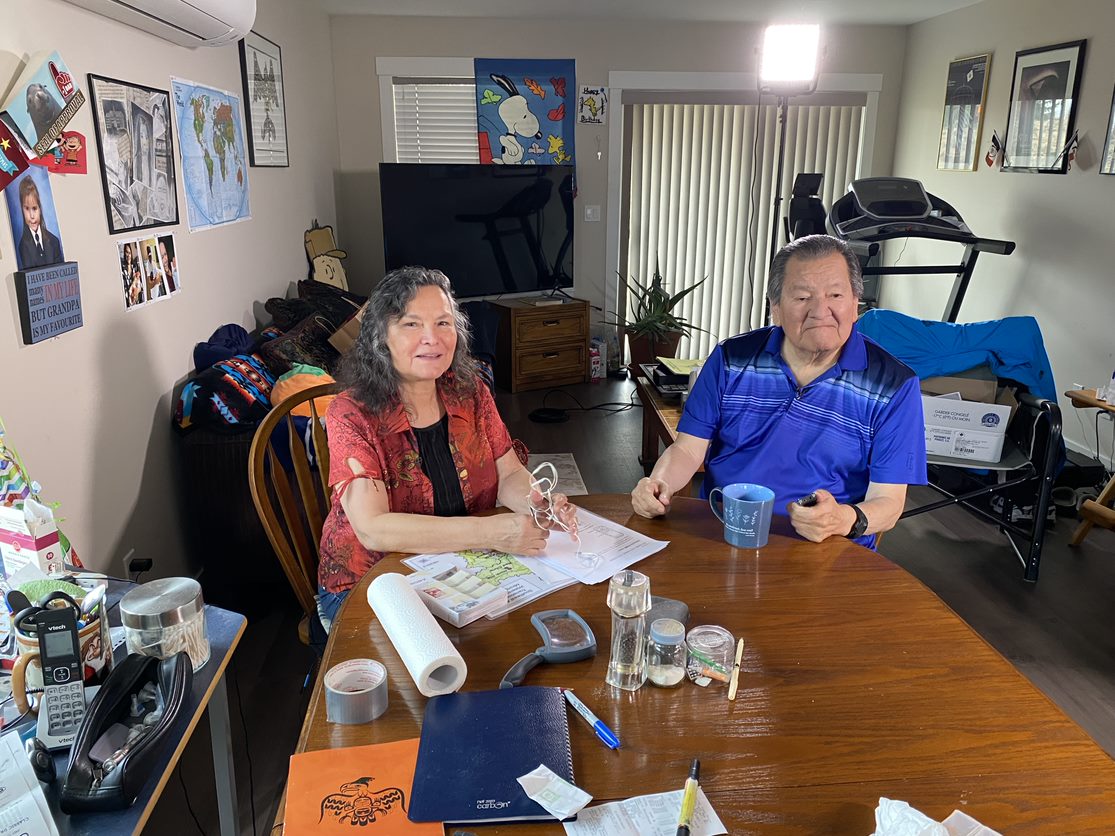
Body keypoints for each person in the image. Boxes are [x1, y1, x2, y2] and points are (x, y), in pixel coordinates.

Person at [316, 266, 578, 631]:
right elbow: (373, 529)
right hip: (371, 583)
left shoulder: (471, 392)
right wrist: (491, 533)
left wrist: (536, 503)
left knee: (535, 631)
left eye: (443, 323)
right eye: (411, 324)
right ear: (380, 337)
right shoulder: (350, 412)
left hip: (461, 565)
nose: (432, 339)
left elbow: (509, 474)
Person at [631, 234, 926, 547]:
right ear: (776, 307)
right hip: (725, 531)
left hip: (826, 547)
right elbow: (689, 449)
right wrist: (658, 484)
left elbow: (889, 502)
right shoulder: (732, 358)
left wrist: (842, 518)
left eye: (836, 295)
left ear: (855, 304)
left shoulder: (895, 385)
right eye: (802, 297)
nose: (820, 310)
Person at [16, 176, 63, 269]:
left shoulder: (54, 241)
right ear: (22, 210)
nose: (32, 216)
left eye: (34, 208)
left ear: (40, 209)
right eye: (27, 209)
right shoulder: (22, 246)